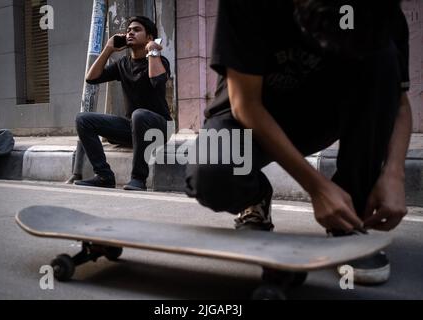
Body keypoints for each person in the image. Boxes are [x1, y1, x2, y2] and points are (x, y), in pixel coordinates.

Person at [185, 0, 411, 285]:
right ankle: (253, 199)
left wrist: (394, 174)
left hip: (323, 115)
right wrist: (316, 187)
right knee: (211, 175)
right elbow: (246, 105)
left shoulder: (379, 9)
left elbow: (399, 104)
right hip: (245, 116)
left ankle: (348, 216)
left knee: (385, 58)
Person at [74, 16, 171, 190]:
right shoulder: (123, 64)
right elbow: (91, 78)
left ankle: (138, 179)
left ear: (149, 37)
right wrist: (108, 49)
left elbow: (157, 81)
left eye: (136, 30)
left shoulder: (160, 61)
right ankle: (104, 176)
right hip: (133, 128)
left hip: (159, 128)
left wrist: (152, 52)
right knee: (83, 119)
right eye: (128, 30)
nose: (130, 32)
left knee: (139, 114)